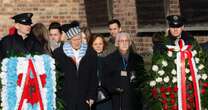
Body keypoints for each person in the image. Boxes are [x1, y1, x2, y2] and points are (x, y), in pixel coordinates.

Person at [53, 23, 98, 110]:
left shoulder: (90, 53)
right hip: (66, 97)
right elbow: (57, 77)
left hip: (85, 97)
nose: (77, 42)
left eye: (79, 39)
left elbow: (93, 77)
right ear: (69, 40)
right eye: (74, 40)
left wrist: (92, 96)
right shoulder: (59, 53)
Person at [103, 32, 146, 110]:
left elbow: (143, 77)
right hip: (117, 98)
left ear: (130, 43)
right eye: (121, 41)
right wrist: (113, 89)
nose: (124, 43)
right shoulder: (109, 59)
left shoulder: (138, 59)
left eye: (126, 41)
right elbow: (105, 79)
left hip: (134, 99)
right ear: (117, 43)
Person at [89, 34, 112, 110]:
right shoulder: (87, 61)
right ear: (91, 45)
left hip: (106, 97)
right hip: (92, 98)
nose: (98, 46)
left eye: (100, 44)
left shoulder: (109, 60)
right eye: (95, 44)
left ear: (103, 45)